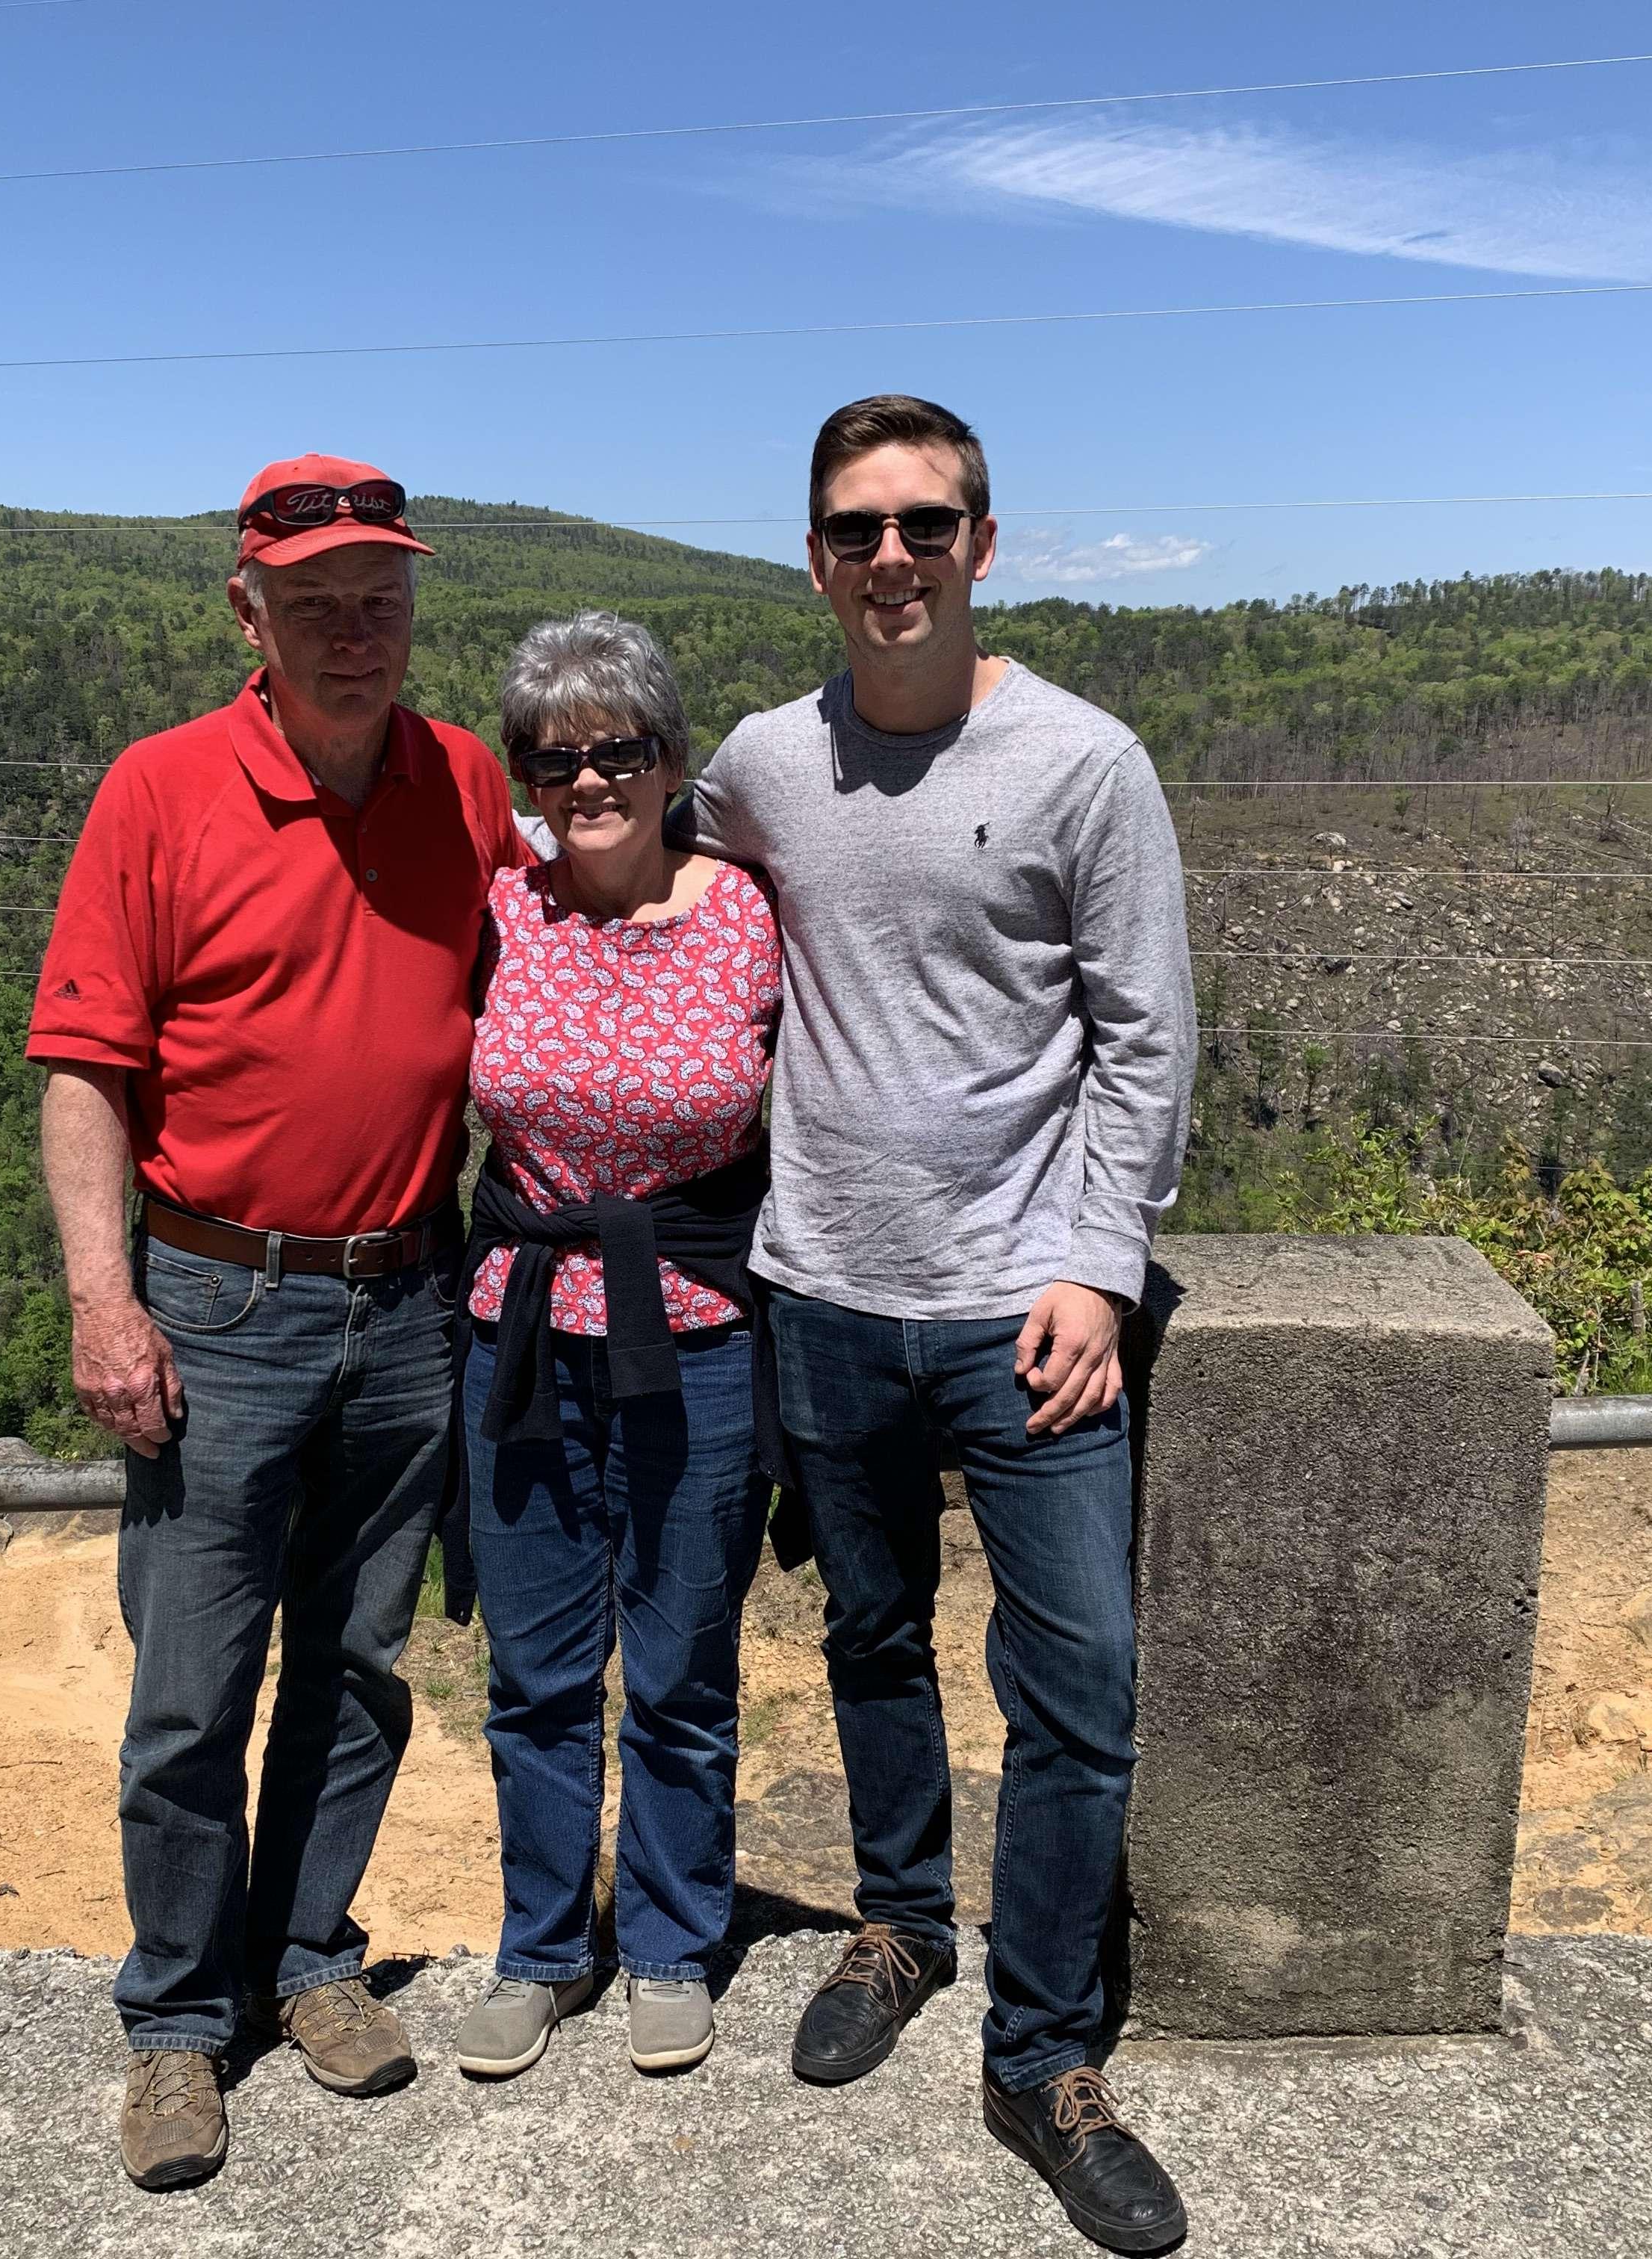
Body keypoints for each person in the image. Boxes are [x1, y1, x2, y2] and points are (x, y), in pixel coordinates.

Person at [677, 397, 1197, 2255]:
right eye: (854, 529)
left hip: (1024, 1315)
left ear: (985, 542)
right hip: (821, 1290)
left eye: (924, 524)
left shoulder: (1084, 764)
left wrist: (1098, 1261)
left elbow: (1147, 1034)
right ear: (813, 559)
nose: (890, 558)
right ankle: (902, 1925)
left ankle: (1043, 2050)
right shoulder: (763, 760)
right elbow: (607, 844)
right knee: (872, 1640)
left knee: (1081, 1689)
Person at [27, 453, 527, 2191]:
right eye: (314, 602)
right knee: (191, 1686)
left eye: (381, 597)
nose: (354, 629)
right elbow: (88, 1069)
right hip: (214, 1298)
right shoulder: (160, 790)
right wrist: (107, 1301)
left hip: (407, 1292)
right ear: (248, 612)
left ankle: (310, 1960)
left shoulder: (463, 780)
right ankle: (177, 2019)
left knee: (363, 1662)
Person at [450, 611, 780, 2082]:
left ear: (670, 757)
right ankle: (540, 1947)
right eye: (552, 757)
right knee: (532, 1672)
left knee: (682, 1664)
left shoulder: (750, 911)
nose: (587, 781)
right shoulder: (499, 905)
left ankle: (665, 1938)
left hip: (696, 1337)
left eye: (618, 751)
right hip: (516, 1335)